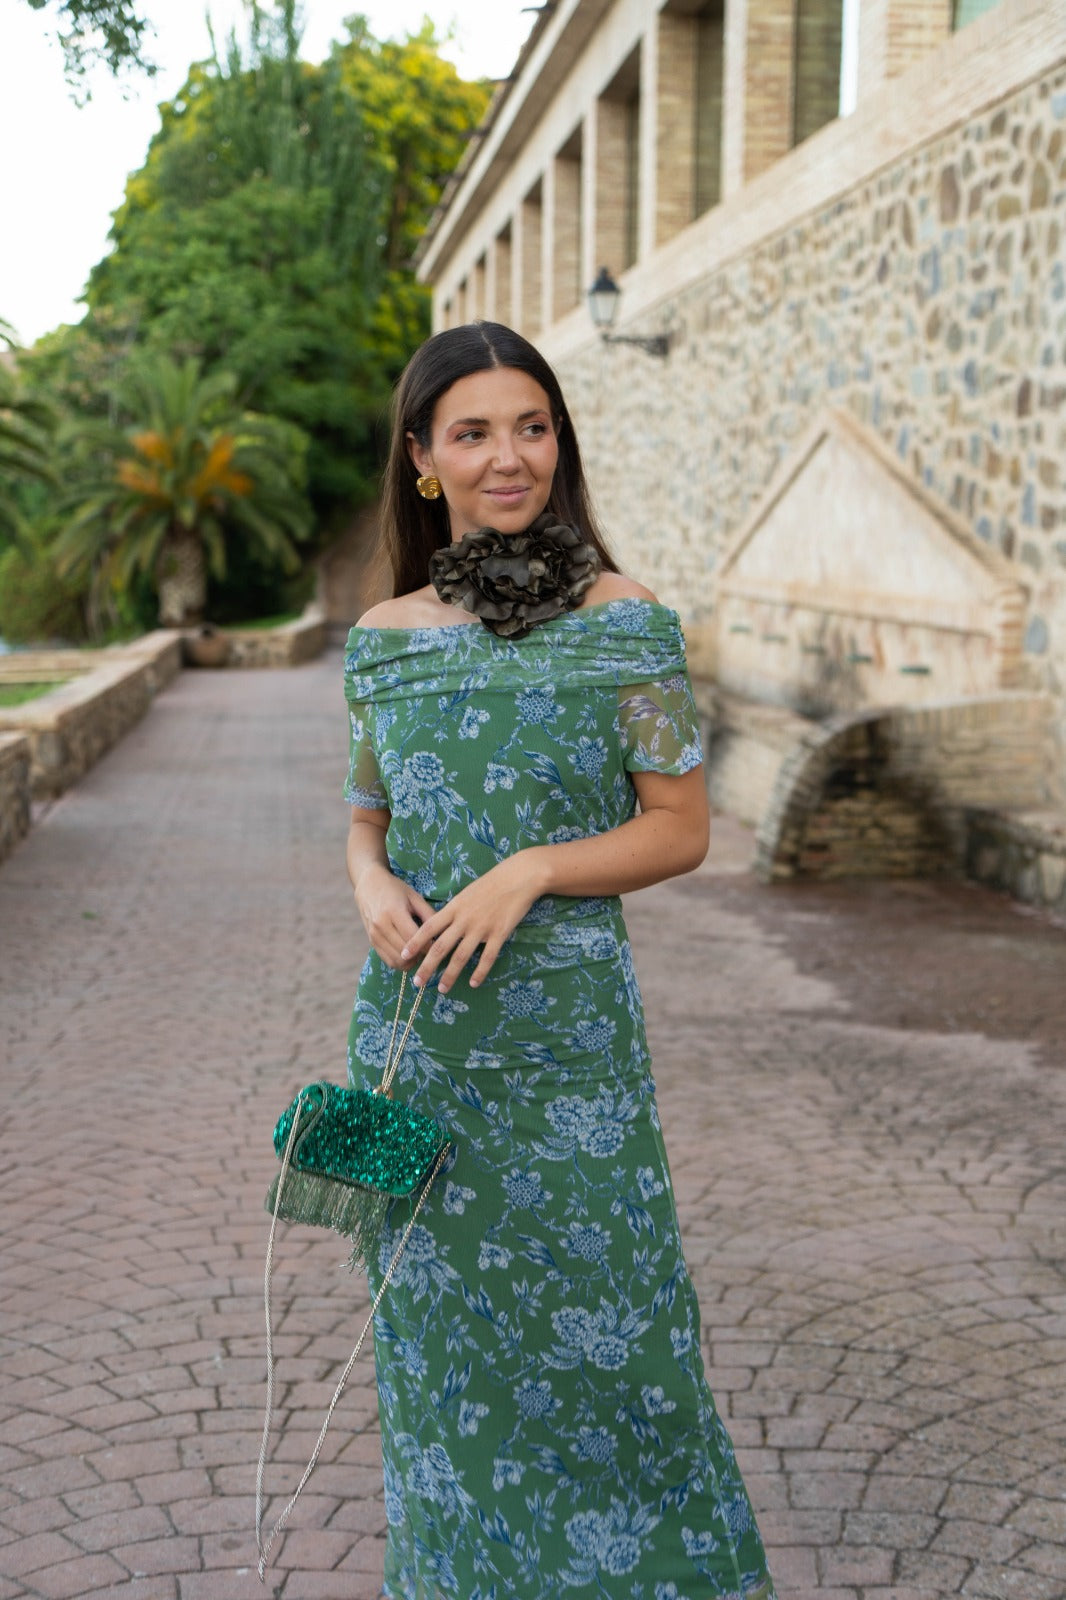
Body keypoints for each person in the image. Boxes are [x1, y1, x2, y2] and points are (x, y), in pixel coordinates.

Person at [344, 321, 776, 1600]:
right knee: (432, 1357)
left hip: (569, 1058)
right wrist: (367, 878)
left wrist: (531, 867)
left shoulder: (623, 621)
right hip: (411, 1042)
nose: (508, 457)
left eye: (530, 427)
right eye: (472, 432)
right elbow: (366, 814)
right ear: (422, 458)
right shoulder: (383, 637)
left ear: (559, 442)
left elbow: (679, 828)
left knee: (621, 1350)